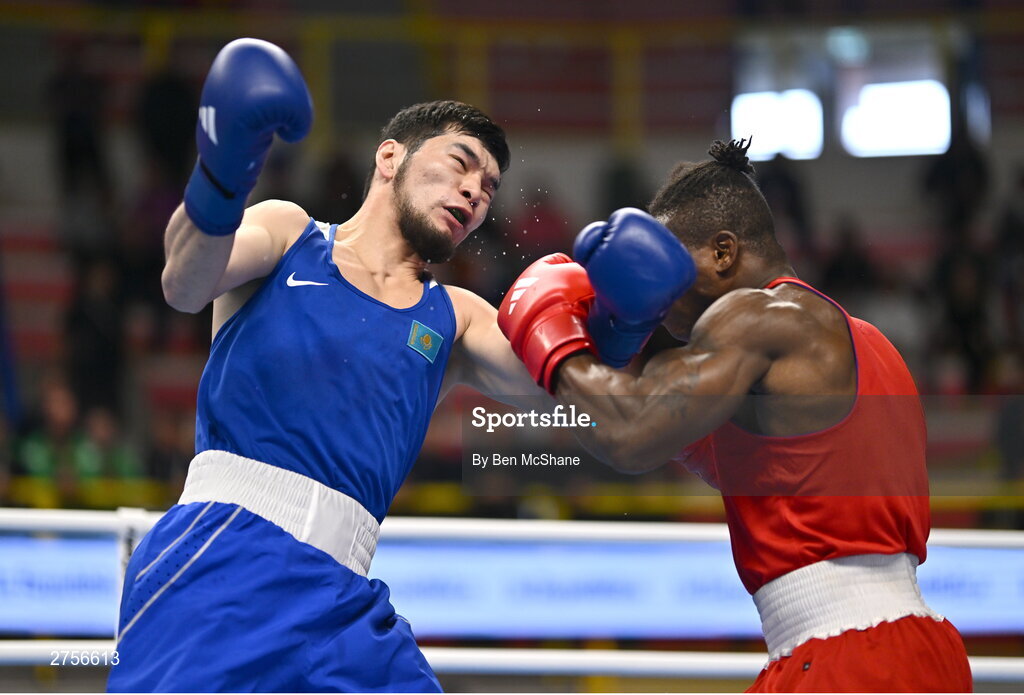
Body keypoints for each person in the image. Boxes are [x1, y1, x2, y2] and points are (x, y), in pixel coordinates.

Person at [108, 38, 545, 692]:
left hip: (345, 604)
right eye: (461, 164)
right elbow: (184, 282)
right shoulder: (291, 234)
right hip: (223, 559)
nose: (474, 193)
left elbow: (560, 393)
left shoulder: (454, 315)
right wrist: (222, 173)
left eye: (487, 188)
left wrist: (622, 323)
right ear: (390, 156)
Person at [499, 139, 973, 692]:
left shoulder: (758, 316)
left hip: (846, 658)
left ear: (723, 252)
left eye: (668, 263)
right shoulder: (862, 342)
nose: (659, 293)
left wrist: (552, 335)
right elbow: (708, 450)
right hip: (913, 652)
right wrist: (613, 358)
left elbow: (630, 435)